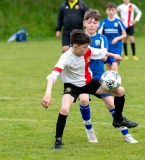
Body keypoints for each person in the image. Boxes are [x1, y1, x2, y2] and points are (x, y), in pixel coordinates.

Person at [41, 29, 138, 150]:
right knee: (64, 109)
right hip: (72, 86)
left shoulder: (87, 50)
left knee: (120, 91)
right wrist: (48, 93)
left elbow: (100, 53)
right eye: (85, 47)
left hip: (89, 83)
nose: (87, 49)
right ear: (75, 46)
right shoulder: (65, 57)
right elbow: (53, 75)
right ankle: (58, 141)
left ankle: (118, 120)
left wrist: (113, 55)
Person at [79, 9, 138, 143]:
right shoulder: (79, 37)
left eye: (95, 23)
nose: (92, 25)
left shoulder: (102, 38)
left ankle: (126, 134)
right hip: (82, 77)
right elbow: (76, 54)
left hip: (100, 77)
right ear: (84, 24)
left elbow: (103, 54)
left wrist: (107, 57)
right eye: (89, 22)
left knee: (112, 104)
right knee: (83, 100)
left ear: (98, 24)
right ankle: (90, 131)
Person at [98, 2, 127, 72]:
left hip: (117, 47)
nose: (111, 12)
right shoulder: (103, 22)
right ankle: (112, 82)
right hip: (107, 48)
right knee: (109, 69)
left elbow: (124, 34)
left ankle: (117, 82)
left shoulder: (119, 22)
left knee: (114, 65)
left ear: (116, 11)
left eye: (112, 10)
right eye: (109, 10)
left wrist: (117, 38)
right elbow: (99, 33)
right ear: (106, 11)